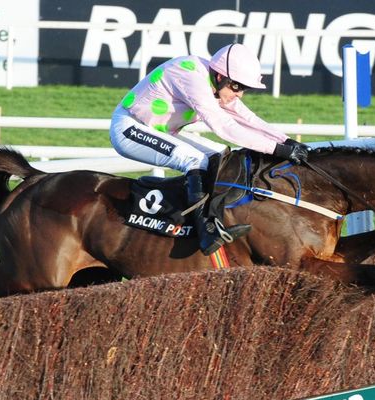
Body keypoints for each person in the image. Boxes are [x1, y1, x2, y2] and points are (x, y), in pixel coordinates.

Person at [110, 43, 309, 256]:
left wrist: (285, 141)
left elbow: (246, 117)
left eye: (243, 88)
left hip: (160, 131)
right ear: (221, 76)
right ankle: (205, 230)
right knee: (194, 160)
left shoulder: (215, 81)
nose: (240, 94)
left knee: (219, 155)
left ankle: (215, 217)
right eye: (237, 87)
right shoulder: (192, 76)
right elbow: (224, 127)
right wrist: (276, 149)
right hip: (129, 128)